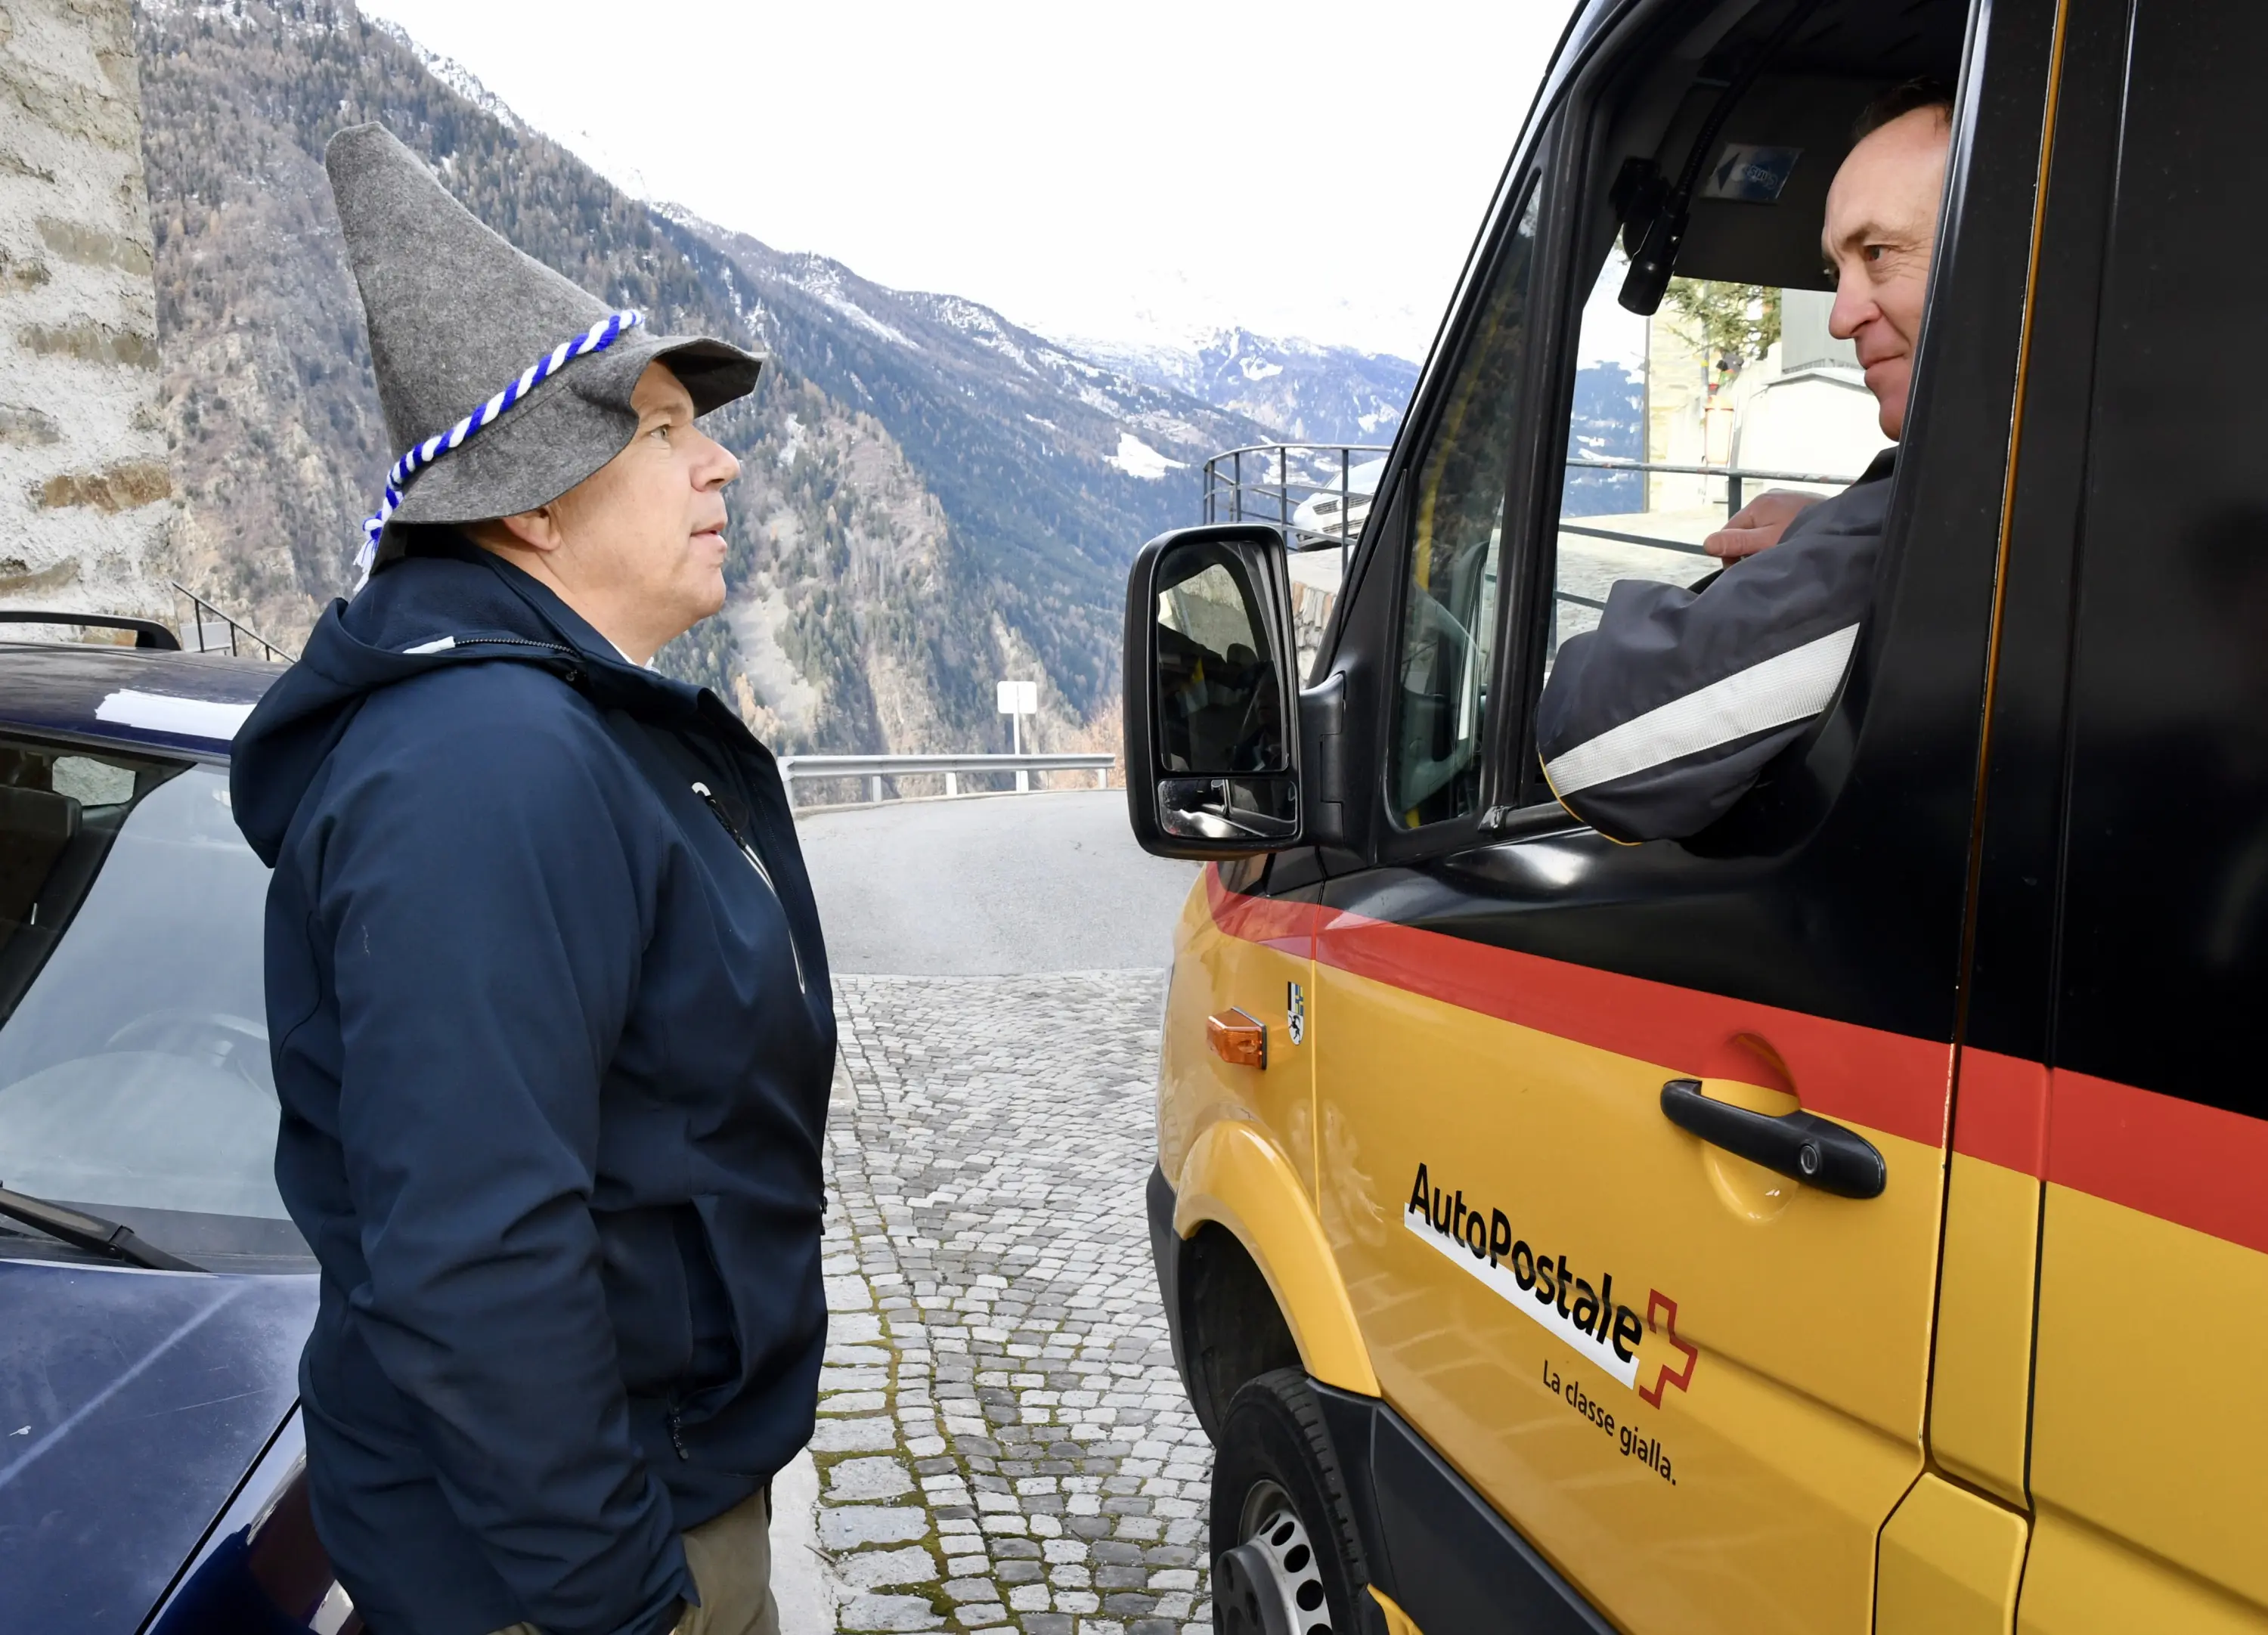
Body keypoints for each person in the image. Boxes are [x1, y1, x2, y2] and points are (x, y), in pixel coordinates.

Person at [229, 125, 833, 1635]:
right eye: (661, 427)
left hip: (616, 1513)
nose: (719, 460)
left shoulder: (539, 725)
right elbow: (480, 1255)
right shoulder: (485, 765)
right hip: (575, 1572)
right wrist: (625, 1601)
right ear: (533, 507)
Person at [1536, 79, 1953, 842]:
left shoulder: (1956, 521)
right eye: (1836, 272)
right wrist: (1827, 522)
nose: (1837, 316)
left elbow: (1601, 746)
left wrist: (1836, 539)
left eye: (1881, 253)